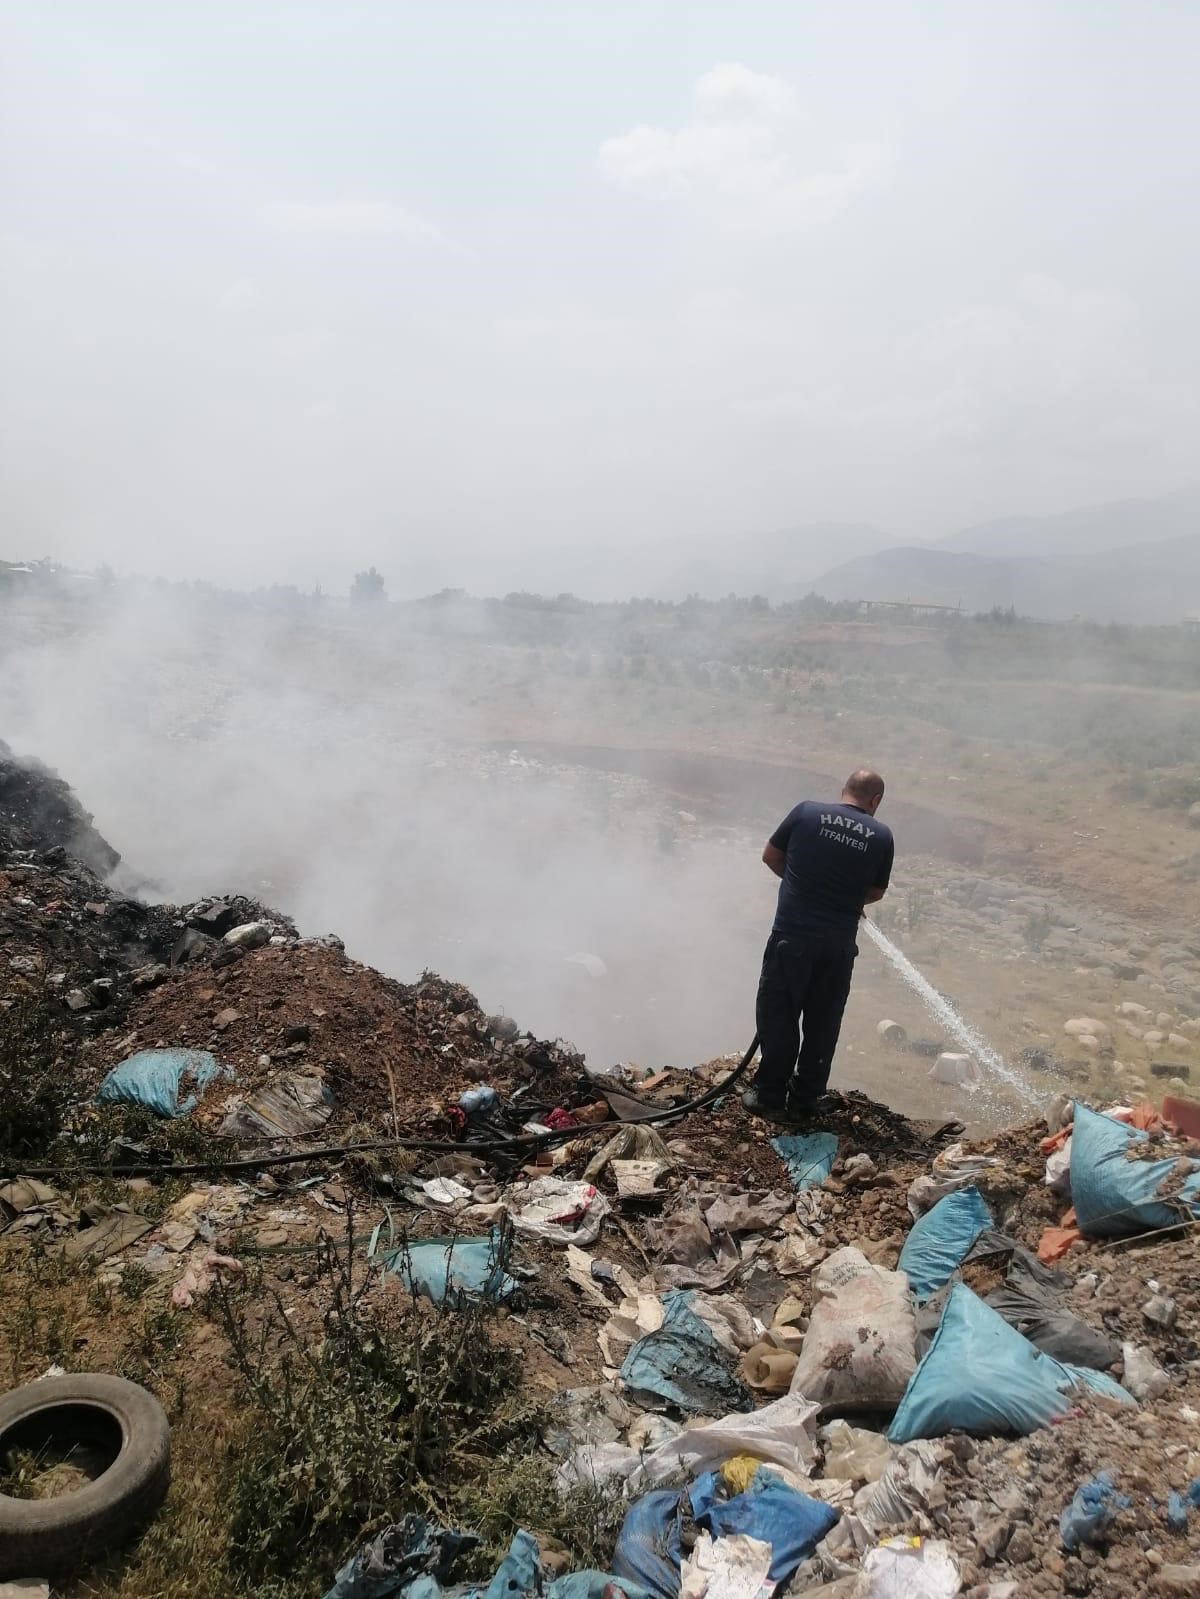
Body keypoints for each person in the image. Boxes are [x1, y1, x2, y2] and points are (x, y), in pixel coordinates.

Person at [743, 769, 894, 1119]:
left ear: (844, 791)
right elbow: (875, 891)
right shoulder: (882, 835)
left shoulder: (806, 812)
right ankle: (805, 1100)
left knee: (779, 1015)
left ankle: (768, 1097)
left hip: (791, 938)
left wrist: (802, 885)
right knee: (822, 1024)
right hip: (837, 947)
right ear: (876, 801)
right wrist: (841, 900)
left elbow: (770, 856)